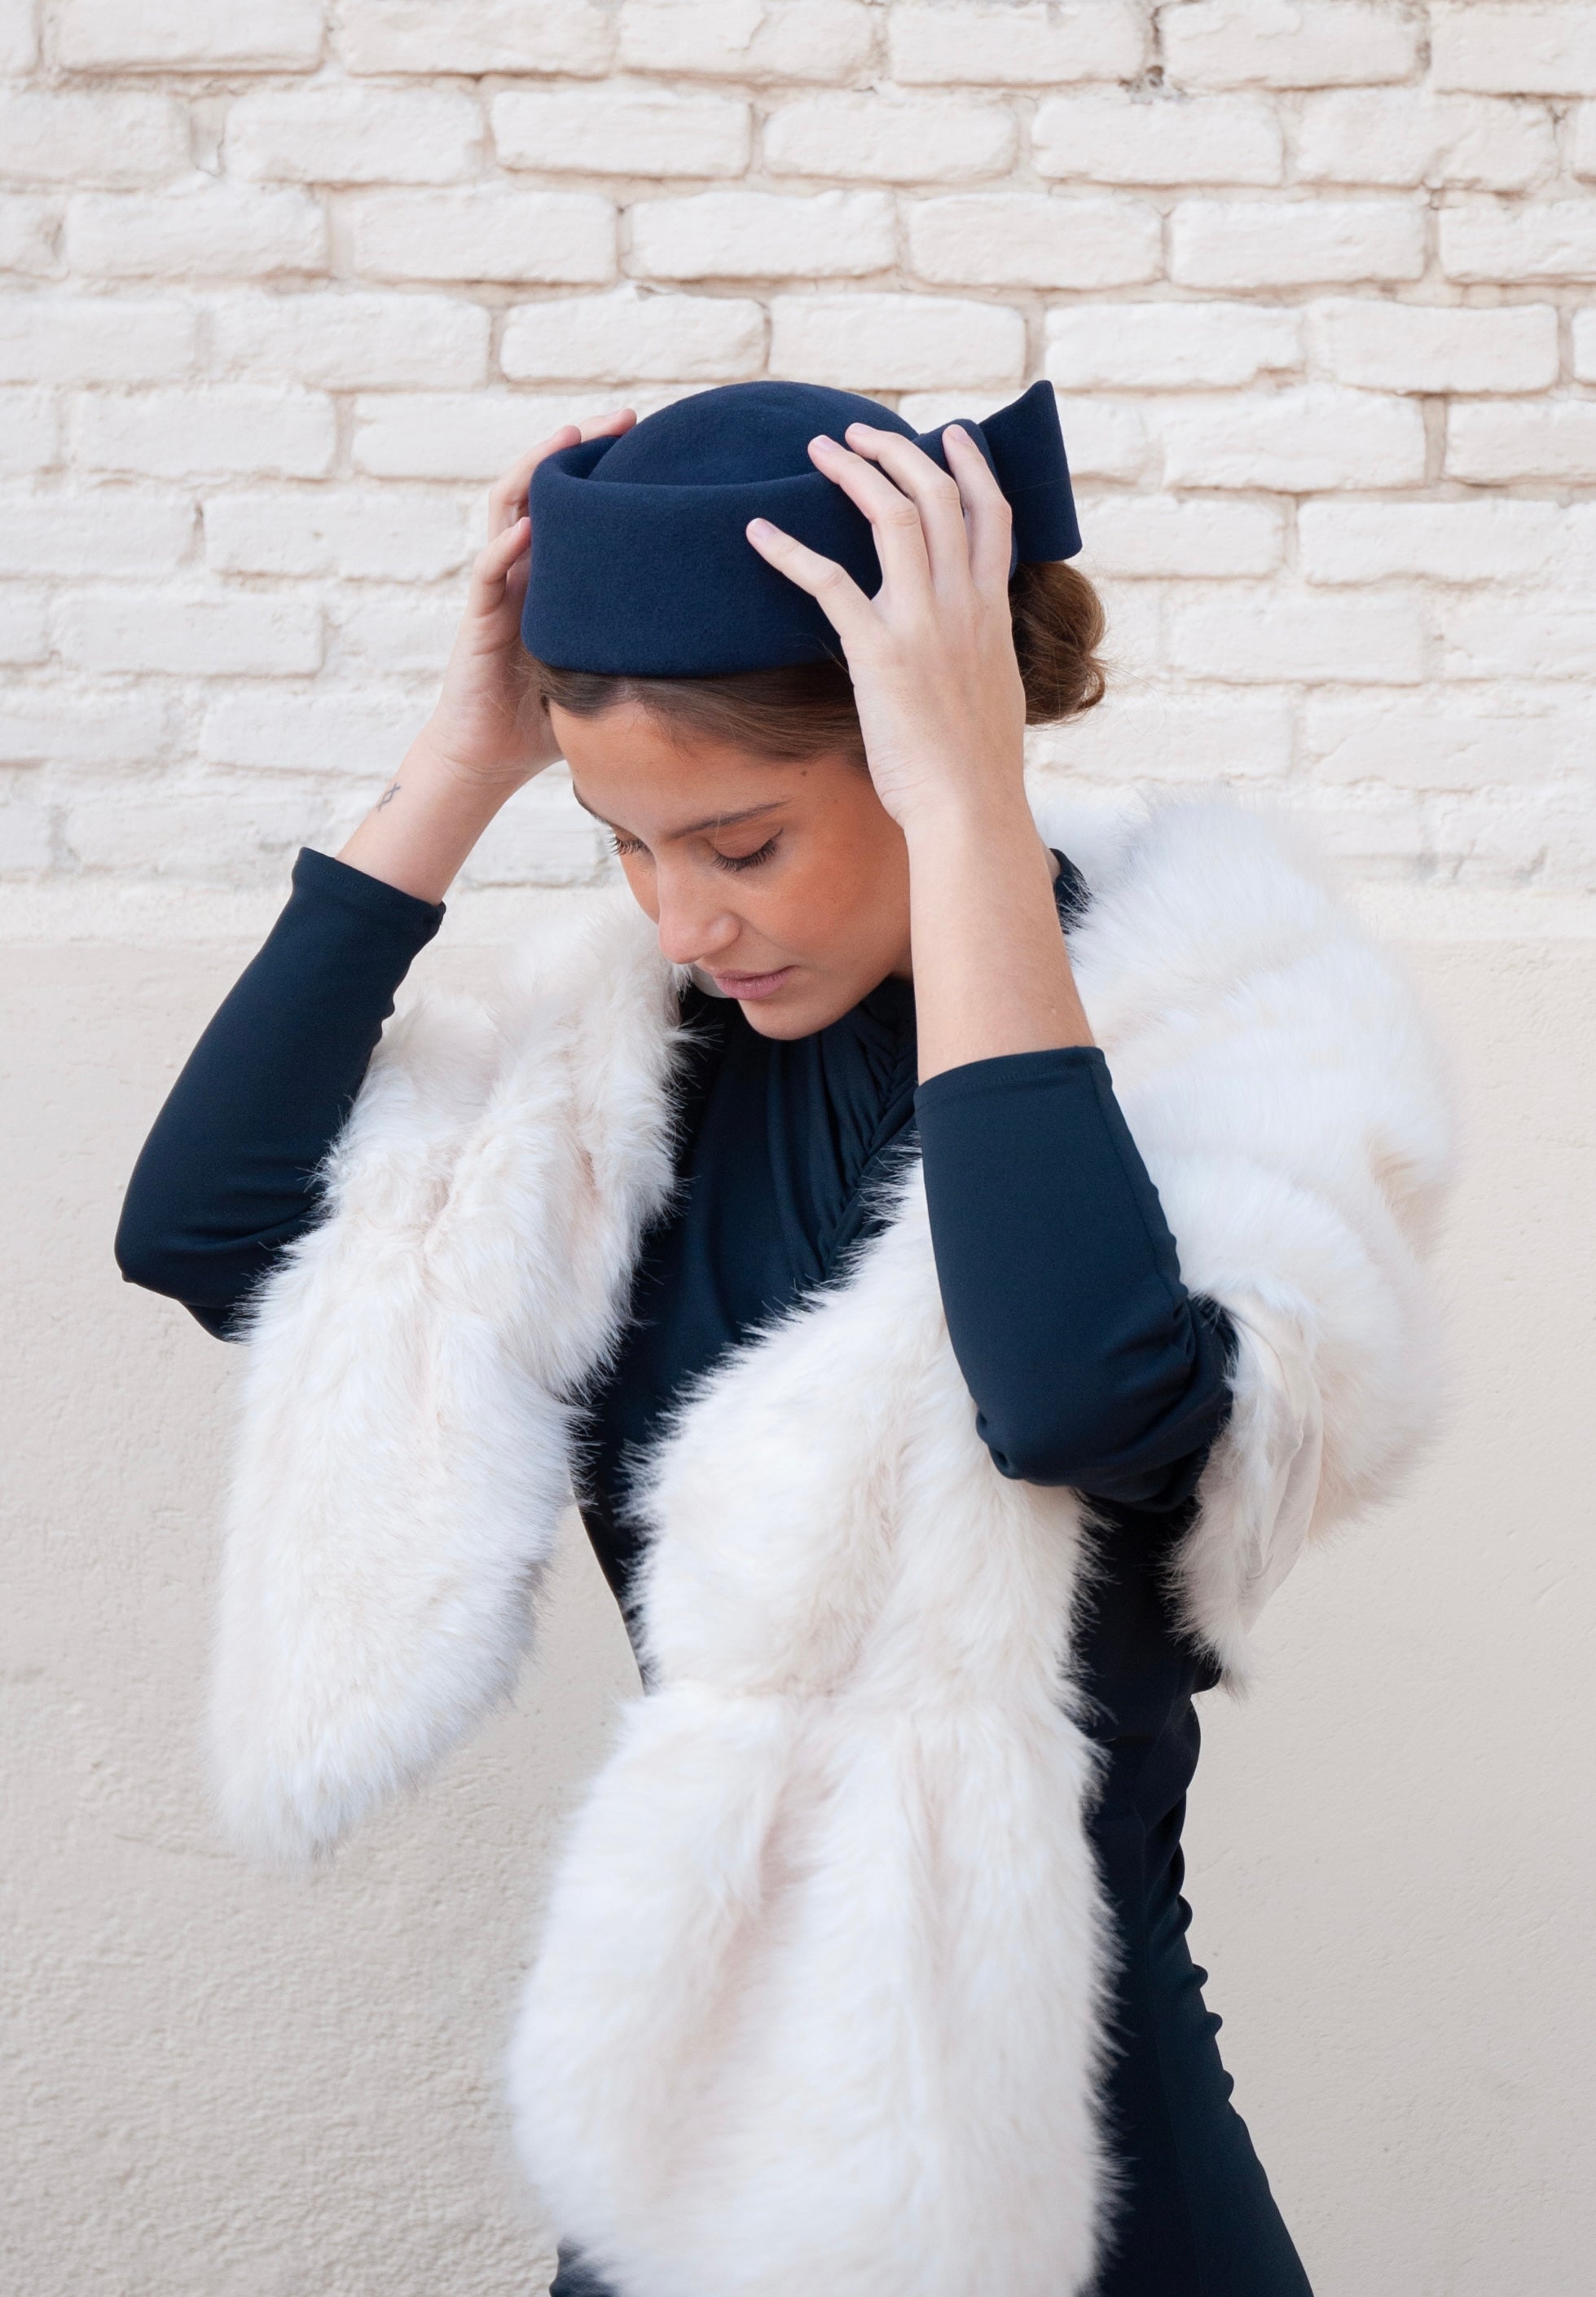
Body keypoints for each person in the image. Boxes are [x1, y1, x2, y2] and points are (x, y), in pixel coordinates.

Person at [117, 380, 1449, 2297]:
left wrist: (973, 811)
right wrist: (462, 754)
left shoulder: (1231, 1069)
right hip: (698, 2146)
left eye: (739, 845)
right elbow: (207, 1228)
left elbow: (1070, 1389)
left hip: (1070, 2147)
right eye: (627, 847)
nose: (680, 922)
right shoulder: (613, 1101)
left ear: (920, 753)